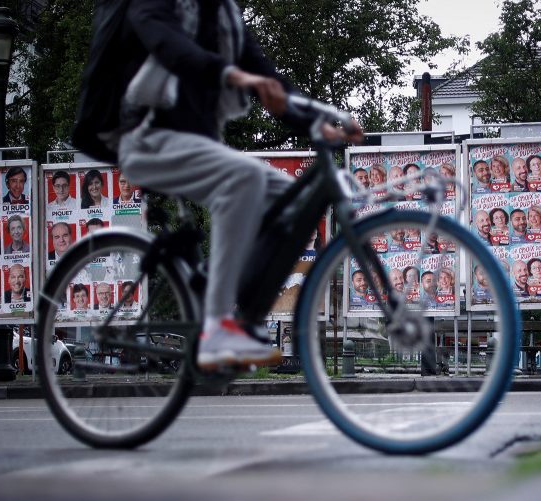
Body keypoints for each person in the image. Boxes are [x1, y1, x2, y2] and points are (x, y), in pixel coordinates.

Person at [110, 0, 362, 368]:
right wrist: (237, 76)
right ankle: (217, 326)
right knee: (243, 178)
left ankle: (245, 317)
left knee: (297, 200)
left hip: (195, 143)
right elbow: (171, 48)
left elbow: (269, 80)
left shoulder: (225, 16)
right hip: (146, 137)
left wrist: (314, 121)